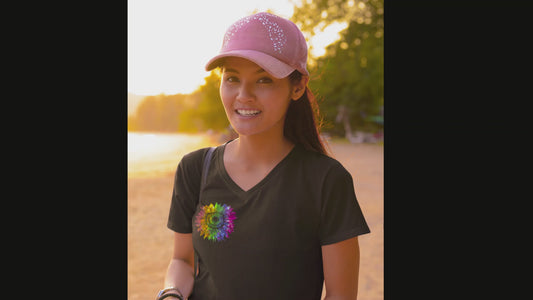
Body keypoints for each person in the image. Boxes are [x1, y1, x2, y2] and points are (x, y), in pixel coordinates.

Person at [157, 12, 370, 300]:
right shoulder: (195, 169)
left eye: (264, 80)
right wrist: (171, 294)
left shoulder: (327, 181)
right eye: (232, 78)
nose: (244, 95)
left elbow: (341, 295)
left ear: (297, 87)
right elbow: (182, 261)